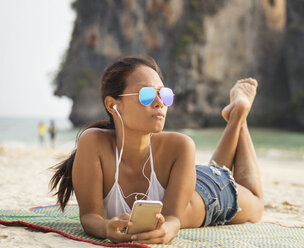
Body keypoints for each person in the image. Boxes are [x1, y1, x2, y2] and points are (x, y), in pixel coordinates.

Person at [50, 55, 263, 244]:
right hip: (183, 181)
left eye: (165, 95)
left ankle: (239, 116)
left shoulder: (181, 145)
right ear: (113, 105)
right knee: (216, 170)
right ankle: (235, 116)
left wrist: (167, 230)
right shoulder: (93, 144)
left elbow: (172, 220)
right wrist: (105, 228)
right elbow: (89, 216)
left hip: (211, 196)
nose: (160, 103)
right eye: (147, 95)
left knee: (257, 204)